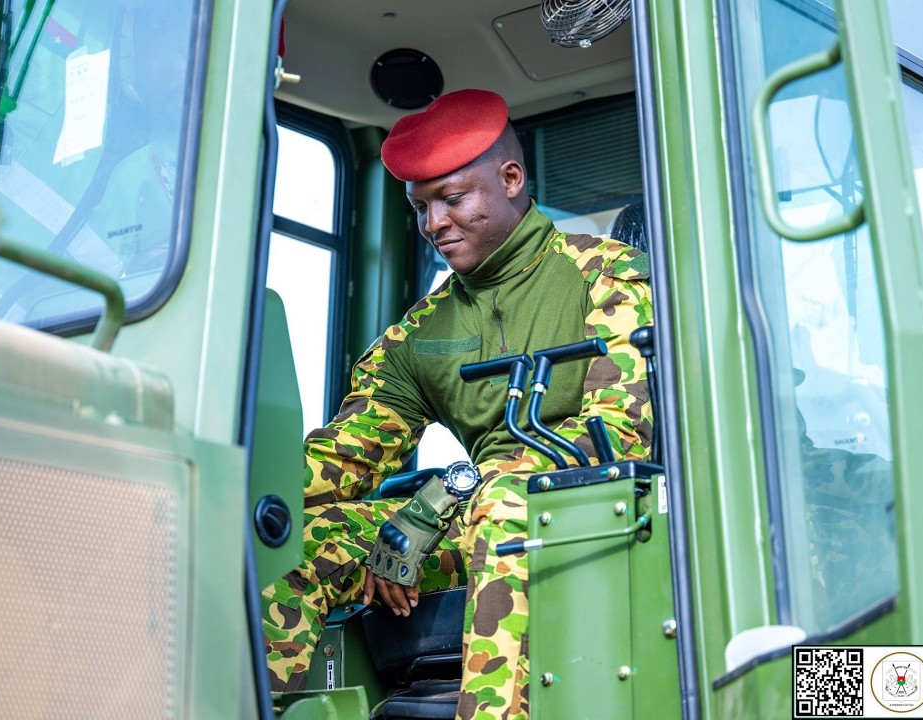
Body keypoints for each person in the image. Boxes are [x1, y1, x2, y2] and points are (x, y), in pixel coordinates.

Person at [260, 88, 653, 719]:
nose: (433, 223)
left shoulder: (605, 275)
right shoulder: (422, 333)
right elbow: (344, 458)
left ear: (511, 179)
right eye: (420, 207)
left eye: (452, 198)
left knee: (505, 505)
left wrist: (439, 500)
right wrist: (245, 487)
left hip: (596, 509)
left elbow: (618, 430)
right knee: (298, 544)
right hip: (480, 518)